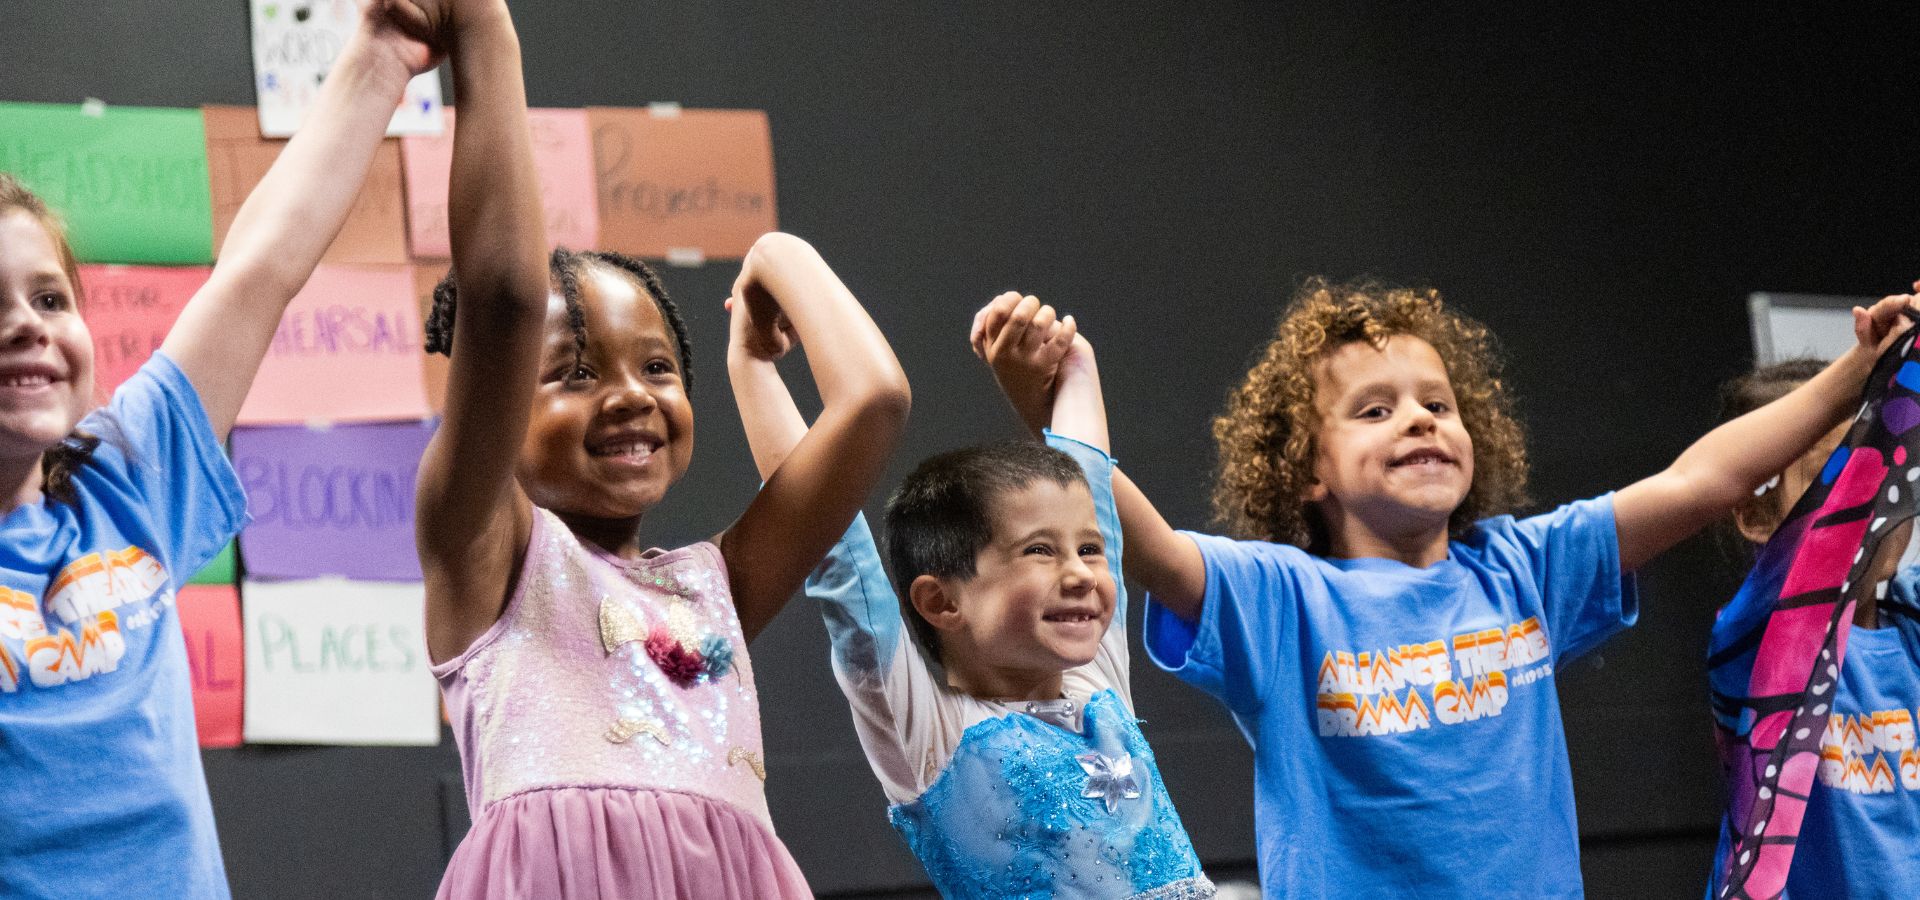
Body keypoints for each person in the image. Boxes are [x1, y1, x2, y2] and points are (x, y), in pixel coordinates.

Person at [1076, 278, 1913, 897]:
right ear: (1304, 470)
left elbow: (1700, 481)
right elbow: (1142, 543)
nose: (1419, 419)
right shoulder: (1281, 599)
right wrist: (1058, 397)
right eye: (1374, 411)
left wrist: (1860, 370)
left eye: (1438, 403)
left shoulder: (1524, 570)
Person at [412, 12, 909, 889]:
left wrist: (774, 258)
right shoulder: (484, 554)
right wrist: (487, 31)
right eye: (573, 372)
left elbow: (873, 399)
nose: (633, 394)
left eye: (657, 367)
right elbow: (502, 296)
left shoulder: (716, 587)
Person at [0, 3, 449, 896]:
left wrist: (380, 59)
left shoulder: (123, 482)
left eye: (51, 300)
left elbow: (262, 264)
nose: (26, 327)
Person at [773, 293, 1211, 897]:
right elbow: (832, 546)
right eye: (1039, 551)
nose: (1082, 573)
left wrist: (1074, 358)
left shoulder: (1095, 685)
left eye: (1088, 551)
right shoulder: (934, 736)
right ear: (940, 601)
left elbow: (1092, 483)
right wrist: (753, 360)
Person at [1708, 347, 1920, 899]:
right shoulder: (1757, 638)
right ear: (1757, 515)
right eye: (1835, 477)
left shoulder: (1913, 619)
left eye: (1886, 471)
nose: (1873, 496)